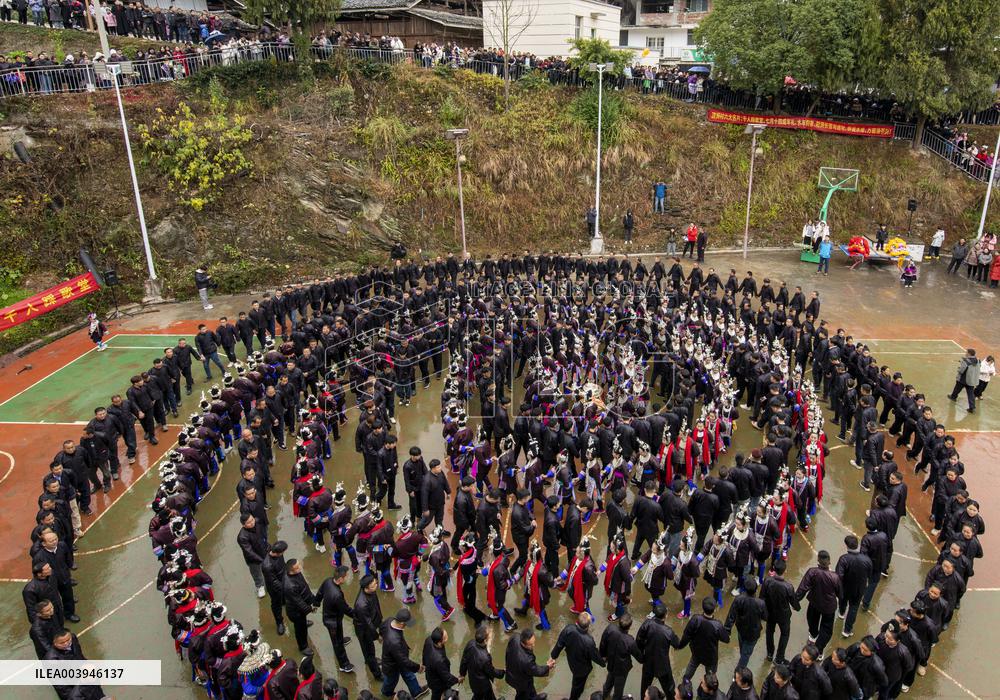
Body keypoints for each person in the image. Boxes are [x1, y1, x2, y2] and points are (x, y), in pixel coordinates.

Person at [551, 612, 606, 700]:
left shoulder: (568, 629)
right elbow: (595, 656)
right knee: (577, 685)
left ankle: (577, 693)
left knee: (577, 682)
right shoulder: (589, 641)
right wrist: (603, 663)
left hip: (572, 661)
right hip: (582, 669)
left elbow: (559, 644)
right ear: (588, 626)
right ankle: (573, 697)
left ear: (577, 622)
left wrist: (553, 656)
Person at [796, 550, 841, 657]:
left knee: (812, 619)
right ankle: (819, 650)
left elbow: (802, 588)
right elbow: (840, 593)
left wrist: (795, 601)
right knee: (826, 629)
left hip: (815, 602)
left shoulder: (812, 572)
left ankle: (813, 635)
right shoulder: (835, 577)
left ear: (818, 561)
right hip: (829, 607)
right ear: (829, 562)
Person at [678, 596, 730, 682]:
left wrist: (680, 646)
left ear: (703, 607)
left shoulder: (695, 619)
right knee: (710, 674)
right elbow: (726, 639)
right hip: (711, 656)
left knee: (692, 665)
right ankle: (708, 686)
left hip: (696, 651)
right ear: (714, 609)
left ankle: (686, 680)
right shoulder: (718, 625)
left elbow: (686, 635)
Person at [45, 629, 105, 700]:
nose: (66, 643)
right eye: (62, 643)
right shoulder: (51, 660)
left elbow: (79, 655)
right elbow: (60, 685)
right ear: (54, 643)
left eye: (68, 640)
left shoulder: (73, 638)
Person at [635, 602, 680, 697]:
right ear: (666, 615)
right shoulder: (668, 631)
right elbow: (677, 644)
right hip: (663, 666)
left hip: (648, 662)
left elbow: (638, 640)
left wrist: (642, 654)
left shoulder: (647, 624)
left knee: (645, 688)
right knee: (669, 690)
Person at [316, 565, 355, 673]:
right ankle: (344, 664)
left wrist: (316, 602)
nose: (347, 578)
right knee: (337, 643)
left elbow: (320, 593)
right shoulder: (337, 595)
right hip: (332, 622)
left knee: (339, 635)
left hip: (333, 617)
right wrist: (357, 615)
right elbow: (346, 609)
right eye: (346, 576)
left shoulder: (328, 581)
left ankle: (341, 639)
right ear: (341, 578)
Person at [380, 608, 426, 698]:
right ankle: (386, 693)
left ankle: (416, 691)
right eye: (407, 624)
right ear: (401, 624)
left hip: (397, 656)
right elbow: (404, 661)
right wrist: (418, 667)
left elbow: (381, 629)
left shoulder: (389, 620)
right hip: (392, 664)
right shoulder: (394, 641)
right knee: (391, 680)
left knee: (409, 675)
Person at [725, 577, 767, 670]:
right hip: (753, 633)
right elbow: (765, 617)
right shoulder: (761, 603)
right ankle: (739, 672)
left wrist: (727, 630)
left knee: (743, 649)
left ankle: (741, 663)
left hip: (741, 629)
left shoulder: (739, 599)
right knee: (746, 654)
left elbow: (731, 616)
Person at [599, 613, 641, 700]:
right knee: (618, 690)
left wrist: (603, 655)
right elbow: (639, 657)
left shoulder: (610, 628)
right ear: (629, 627)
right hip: (622, 669)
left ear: (618, 622)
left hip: (611, 663)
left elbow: (603, 643)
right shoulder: (630, 641)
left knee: (608, 683)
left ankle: (604, 696)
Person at [504, 628, 554, 700]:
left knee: (520, 692)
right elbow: (536, 670)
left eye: (534, 642)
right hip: (522, 682)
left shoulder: (515, 637)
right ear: (523, 643)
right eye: (530, 645)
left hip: (511, 675)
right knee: (528, 692)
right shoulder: (527, 660)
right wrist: (547, 666)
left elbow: (508, 652)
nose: (533, 645)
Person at [460, 625, 505, 700]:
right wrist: (502, 672)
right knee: (488, 697)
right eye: (490, 636)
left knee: (477, 695)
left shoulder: (470, 643)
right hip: (483, 685)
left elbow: (464, 660)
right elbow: (491, 671)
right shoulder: (485, 658)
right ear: (485, 641)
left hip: (473, 681)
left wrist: (462, 674)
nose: (492, 636)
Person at [353, 574, 385, 680]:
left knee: (370, 651)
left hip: (371, 621)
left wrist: (380, 620)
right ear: (366, 588)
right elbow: (368, 625)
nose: (376, 585)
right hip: (363, 630)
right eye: (373, 585)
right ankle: (377, 674)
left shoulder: (371, 591)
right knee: (369, 651)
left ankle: (369, 660)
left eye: (376, 583)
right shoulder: (361, 605)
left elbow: (377, 606)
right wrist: (377, 636)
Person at [283, 558, 316, 655]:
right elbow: (299, 603)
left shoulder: (296, 573)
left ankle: (304, 622)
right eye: (297, 567)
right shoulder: (290, 586)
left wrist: (311, 598)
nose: (300, 568)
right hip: (296, 612)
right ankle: (303, 647)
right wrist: (310, 609)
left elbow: (304, 586)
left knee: (302, 622)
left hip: (302, 607)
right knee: (300, 630)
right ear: (291, 571)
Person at [423, 626, 459, 700]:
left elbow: (424, 653)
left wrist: (424, 665)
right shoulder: (439, 660)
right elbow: (446, 676)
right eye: (445, 637)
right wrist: (457, 680)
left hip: (430, 675)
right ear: (439, 642)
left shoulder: (429, 639)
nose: (447, 637)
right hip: (438, 684)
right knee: (438, 695)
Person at [237, 512, 267, 597]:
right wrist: (261, 560)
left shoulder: (257, 523)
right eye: (249, 522)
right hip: (253, 559)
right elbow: (249, 552)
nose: (252, 523)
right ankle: (260, 587)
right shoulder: (242, 537)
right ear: (243, 525)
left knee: (267, 569)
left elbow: (263, 535)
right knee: (256, 573)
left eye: (252, 520)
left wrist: (267, 545)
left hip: (263, 551)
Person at [947, 348, 981, 413]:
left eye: (966, 352)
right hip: (971, 380)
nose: (965, 353)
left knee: (957, 388)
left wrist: (959, 369)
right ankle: (972, 407)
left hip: (963, 379)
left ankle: (953, 397)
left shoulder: (966, 361)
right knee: (971, 394)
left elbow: (961, 370)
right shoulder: (978, 360)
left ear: (969, 354)